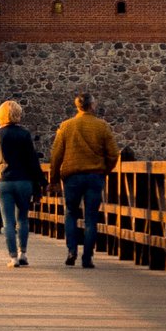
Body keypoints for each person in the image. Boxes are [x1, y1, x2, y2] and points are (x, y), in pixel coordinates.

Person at [49, 92, 120, 269]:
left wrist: (54, 179)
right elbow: (113, 153)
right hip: (95, 176)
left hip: (72, 177)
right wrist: (105, 170)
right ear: (92, 106)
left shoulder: (66, 126)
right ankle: (87, 257)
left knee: (71, 213)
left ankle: (71, 251)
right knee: (91, 218)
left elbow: (56, 155)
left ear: (77, 106)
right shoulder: (101, 126)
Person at [0, 100, 43, 268]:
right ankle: (23, 253)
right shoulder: (25, 134)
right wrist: (39, 181)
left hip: (3, 181)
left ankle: (13, 258)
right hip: (24, 181)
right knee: (23, 218)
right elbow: (32, 160)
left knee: (8, 221)